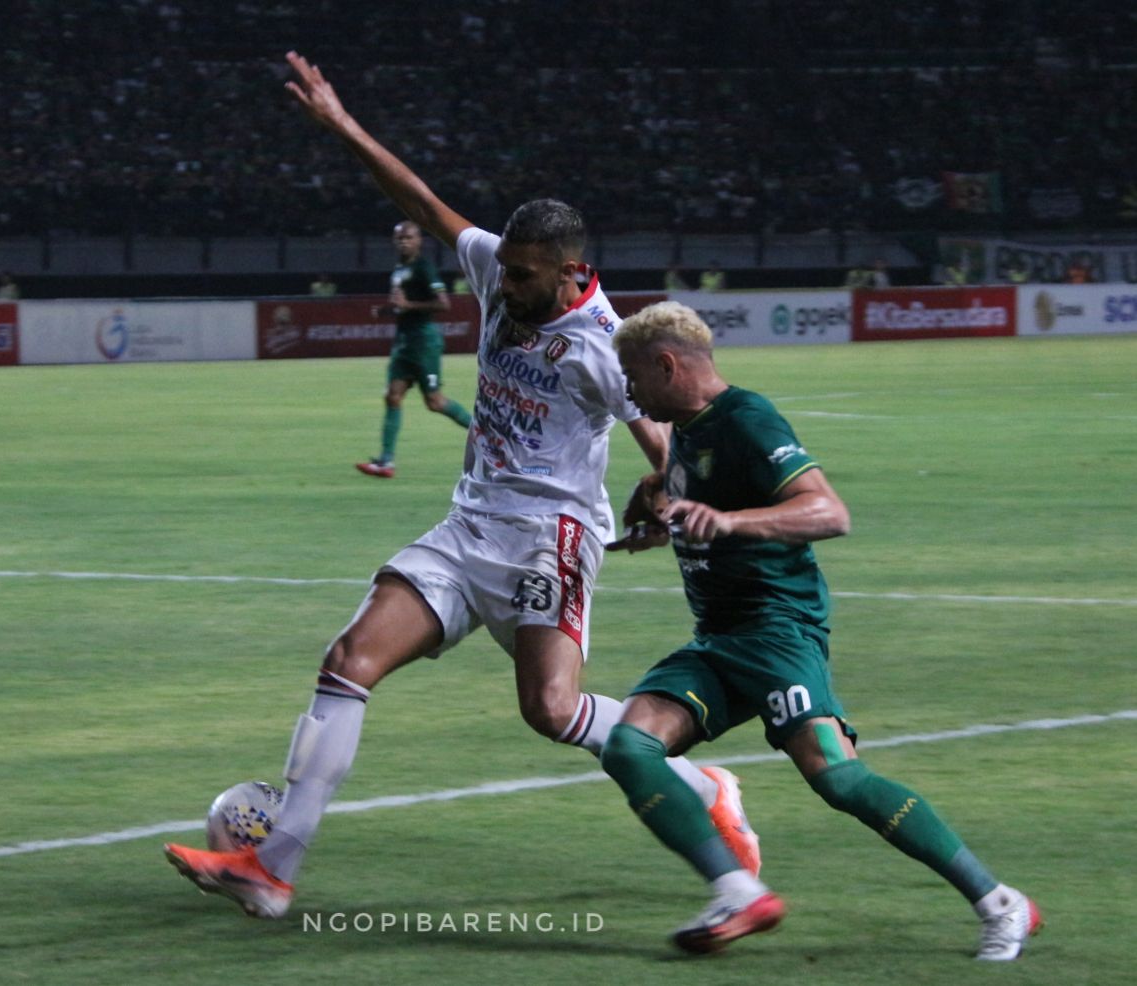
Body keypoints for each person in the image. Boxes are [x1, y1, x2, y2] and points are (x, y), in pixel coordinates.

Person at [163, 51, 760, 918]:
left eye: (523, 276)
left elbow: (662, 426)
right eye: (503, 268)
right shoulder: (496, 267)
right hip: (467, 527)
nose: (501, 285)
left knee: (551, 712)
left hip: (550, 539)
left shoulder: (601, 344)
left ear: (567, 272)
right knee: (348, 661)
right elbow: (421, 201)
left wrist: (666, 489)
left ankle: (704, 788)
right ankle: (273, 868)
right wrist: (341, 126)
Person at [599, 301, 1042, 960]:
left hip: (777, 632)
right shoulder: (688, 430)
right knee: (629, 747)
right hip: (719, 639)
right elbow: (698, 482)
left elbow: (830, 513)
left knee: (837, 777)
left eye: (633, 376)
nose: (627, 392)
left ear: (667, 365)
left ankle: (1001, 903)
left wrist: (731, 523)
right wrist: (656, 500)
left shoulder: (747, 419)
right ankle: (738, 892)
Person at [355, 220, 471, 478]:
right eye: (399, 238)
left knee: (435, 402)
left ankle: (489, 435)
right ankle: (386, 462)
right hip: (404, 342)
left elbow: (443, 304)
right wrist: (387, 310)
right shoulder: (399, 269)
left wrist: (408, 305)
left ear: (419, 241)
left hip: (423, 342)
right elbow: (400, 304)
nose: (403, 242)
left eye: (408, 237)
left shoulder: (424, 268)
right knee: (392, 396)